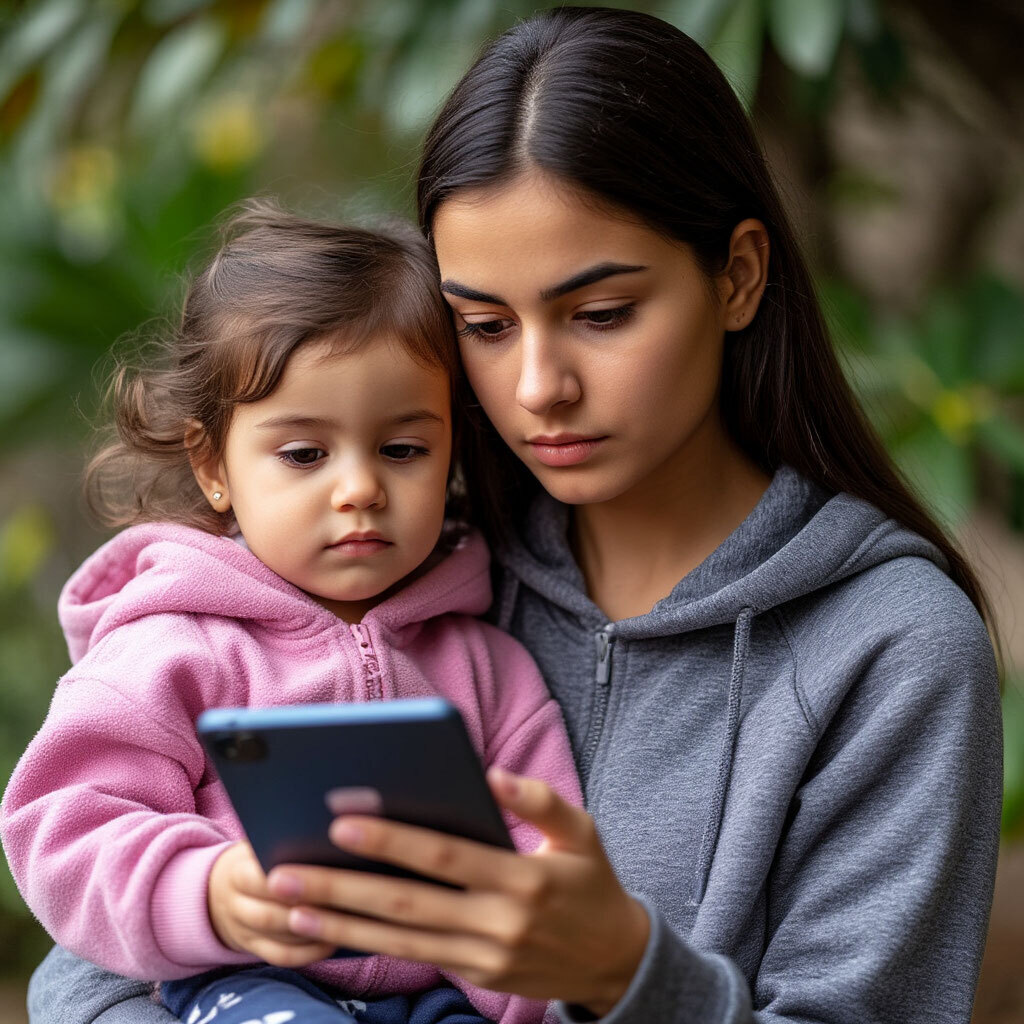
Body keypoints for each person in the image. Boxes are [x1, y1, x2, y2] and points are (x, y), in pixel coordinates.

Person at [25, 6, 1003, 1024]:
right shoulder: (402, 575)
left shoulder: (887, 649)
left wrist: (627, 977)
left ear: (738, 276)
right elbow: (90, 969)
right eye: (484, 326)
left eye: (601, 313)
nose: (538, 385)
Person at [1, 200, 584, 1024]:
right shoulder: (170, 647)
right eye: (305, 453)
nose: (359, 488)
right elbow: (67, 826)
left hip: (440, 995)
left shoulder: (488, 665)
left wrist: (534, 985)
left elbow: (542, 855)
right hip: (246, 982)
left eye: (403, 448)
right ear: (213, 466)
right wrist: (208, 894)